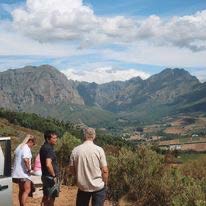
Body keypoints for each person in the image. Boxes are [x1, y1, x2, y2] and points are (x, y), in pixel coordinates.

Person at [69, 127, 109, 206]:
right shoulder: (99, 150)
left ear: (84, 136)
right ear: (94, 136)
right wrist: (105, 183)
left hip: (83, 187)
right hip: (98, 187)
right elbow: (105, 170)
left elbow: (71, 169)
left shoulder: (75, 150)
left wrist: (78, 177)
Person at [12, 134, 36, 206]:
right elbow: (26, 159)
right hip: (24, 173)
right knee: (27, 190)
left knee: (21, 190)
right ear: (30, 141)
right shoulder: (26, 148)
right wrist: (29, 170)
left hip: (17, 173)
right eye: (33, 144)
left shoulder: (19, 146)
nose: (33, 146)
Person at [40, 130, 59, 206]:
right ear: (48, 139)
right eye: (54, 138)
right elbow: (48, 164)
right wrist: (54, 176)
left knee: (46, 196)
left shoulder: (43, 147)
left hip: (45, 175)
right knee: (51, 198)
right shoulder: (49, 149)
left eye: (56, 138)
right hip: (50, 177)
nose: (56, 140)